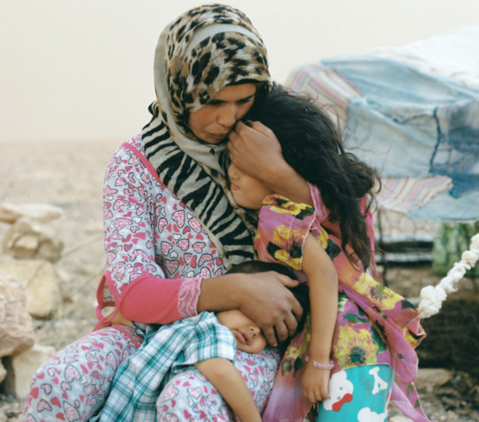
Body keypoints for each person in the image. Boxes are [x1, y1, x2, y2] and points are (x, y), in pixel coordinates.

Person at [23, 5, 323, 422]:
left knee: (188, 398)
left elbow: (340, 239)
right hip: (144, 332)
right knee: (59, 381)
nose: (227, 118)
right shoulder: (133, 165)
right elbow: (135, 292)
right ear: (177, 88)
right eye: (212, 101)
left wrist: (278, 171)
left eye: (243, 100)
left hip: (245, 337)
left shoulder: (270, 143)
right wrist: (236, 288)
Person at [227, 85, 431, 421]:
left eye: (246, 166)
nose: (232, 173)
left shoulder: (274, 216)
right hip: (359, 352)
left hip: (345, 355)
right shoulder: (308, 211)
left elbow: (324, 274)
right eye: (231, 163)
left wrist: (319, 362)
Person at [95, 262, 309, 422]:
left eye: (265, 333)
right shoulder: (209, 325)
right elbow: (220, 371)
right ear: (230, 299)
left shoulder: (186, 321)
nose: (255, 330)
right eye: (252, 316)